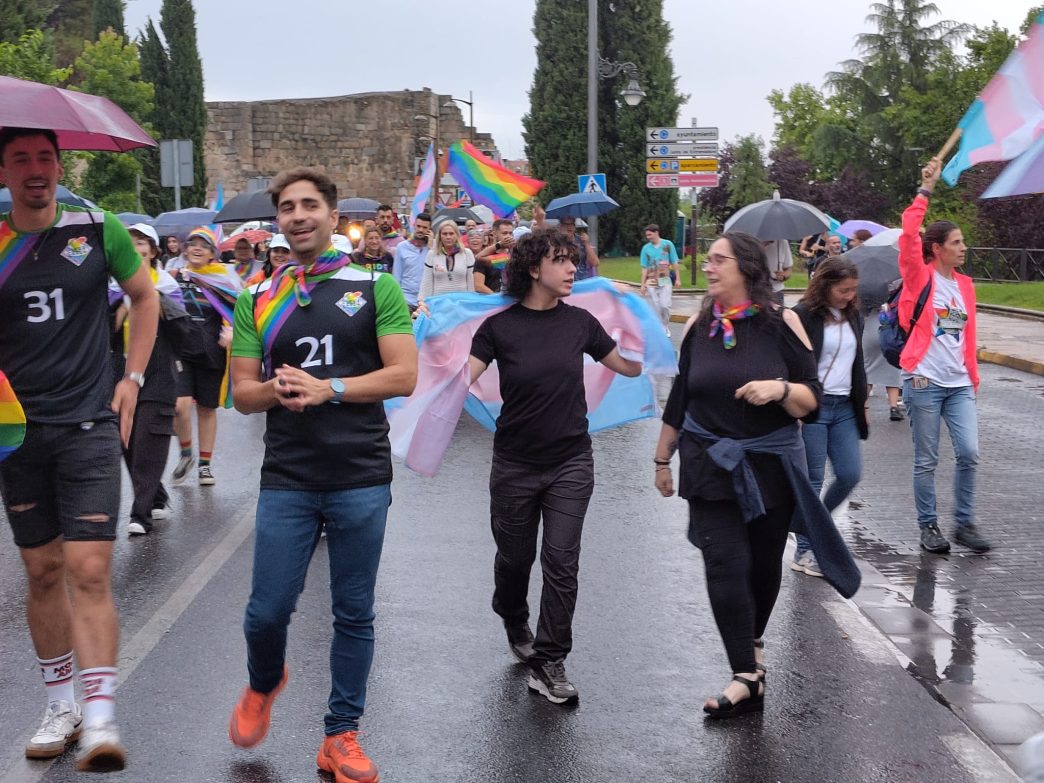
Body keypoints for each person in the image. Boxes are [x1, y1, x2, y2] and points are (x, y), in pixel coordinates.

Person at [228, 167, 417, 783]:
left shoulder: (375, 285)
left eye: (310, 205)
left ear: (334, 218)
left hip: (361, 474)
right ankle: (264, 680)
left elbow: (403, 377)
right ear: (277, 221)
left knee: (353, 611)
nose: (299, 215)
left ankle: (341, 735)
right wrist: (275, 390)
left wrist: (329, 388)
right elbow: (240, 396)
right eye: (287, 207)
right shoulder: (257, 297)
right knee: (265, 612)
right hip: (288, 477)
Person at [0, 126, 159, 770]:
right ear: (4, 172)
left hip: (90, 424)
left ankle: (100, 721)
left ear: (60, 165)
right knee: (41, 573)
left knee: (90, 570)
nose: (35, 170)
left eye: (45, 158)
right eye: (20, 160)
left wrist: (134, 378)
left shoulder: (98, 229)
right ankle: (60, 705)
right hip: (17, 433)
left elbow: (145, 297)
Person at [653, 231, 828, 719]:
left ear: (747, 268)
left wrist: (780, 388)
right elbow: (681, 397)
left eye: (717, 261)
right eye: (707, 260)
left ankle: (751, 644)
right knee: (724, 563)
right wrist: (663, 459)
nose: (707, 267)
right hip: (709, 460)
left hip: (770, 463)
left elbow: (812, 400)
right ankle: (746, 675)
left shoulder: (782, 323)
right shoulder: (698, 325)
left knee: (762, 565)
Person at [468, 228, 642, 703]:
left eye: (572, 261)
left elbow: (629, 366)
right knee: (514, 559)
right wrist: (429, 334)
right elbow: (462, 376)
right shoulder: (498, 328)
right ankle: (511, 612)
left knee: (562, 562)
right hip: (515, 465)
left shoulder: (581, 323)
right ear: (532, 268)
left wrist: (636, 317)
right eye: (560, 260)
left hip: (570, 460)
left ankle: (549, 661)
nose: (571, 269)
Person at [899, 158, 989, 555]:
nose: (964, 247)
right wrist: (926, 190)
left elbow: (967, 336)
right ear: (937, 249)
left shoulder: (966, 286)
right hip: (924, 380)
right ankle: (928, 526)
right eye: (957, 242)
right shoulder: (920, 276)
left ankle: (965, 523)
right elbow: (908, 234)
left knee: (969, 452)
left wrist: (973, 376)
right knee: (926, 459)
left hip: (958, 384)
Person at [790, 257, 868, 576]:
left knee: (850, 473)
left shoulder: (854, 315)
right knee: (813, 479)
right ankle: (805, 551)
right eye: (843, 289)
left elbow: (857, 361)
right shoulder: (802, 315)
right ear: (825, 286)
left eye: (853, 289)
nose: (849, 295)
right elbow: (791, 363)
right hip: (813, 407)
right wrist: (791, 406)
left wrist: (862, 402)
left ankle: (814, 527)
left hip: (845, 407)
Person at [121, 224, 184, 536]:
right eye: (130, 242)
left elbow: (184, 332)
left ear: (154, 250)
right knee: (127, 443)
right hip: (120, 375)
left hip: (158, 374)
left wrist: (157, 304)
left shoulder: (169, 286)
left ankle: (140, 513)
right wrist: (118, 311)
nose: (136, 247)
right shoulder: (112, 286)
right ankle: (155, 493)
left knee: (148, 441)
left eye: (142, 242)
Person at [171, 226, 242, 487]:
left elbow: (240, 310)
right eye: (193, 244)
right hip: (181, 351)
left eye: (204, 245)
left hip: (211, 351)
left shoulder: (223, 279)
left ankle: (204, 465)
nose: (197, 249)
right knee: (179, 406)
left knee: (206, 408)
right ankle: (186, 453)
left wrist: (231, 330)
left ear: (213, 253)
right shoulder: (175, 277)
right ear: (186, 249)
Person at [419, 219, 475, 305]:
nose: (448, 237)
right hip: (438, 305)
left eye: (451, 233)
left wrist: (472, 303)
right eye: (444, 234)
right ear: (440, 236)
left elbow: (471, 283)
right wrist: (422, 302)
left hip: (461, 305)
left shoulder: (467, 254)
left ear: (457, 235)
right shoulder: (432, 254)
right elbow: (426, 282)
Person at [639, 223, 680, 335]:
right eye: (646, 235)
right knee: (656, 306)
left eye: (650, 234)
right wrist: (642, 284)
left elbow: (675, 261)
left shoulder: (667, 245)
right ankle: (660, 327)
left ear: (656, 232)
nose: (648, 237)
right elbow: (644, 267)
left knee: (664, 305)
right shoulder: (646, 249)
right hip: (651, 281)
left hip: (665, 280)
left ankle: (665, 325)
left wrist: (678, 278)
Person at [392, 212, 432, 313]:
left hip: (427, 301)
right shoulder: (402, 247)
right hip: (406, 299)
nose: (421, 230)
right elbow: (396, 276)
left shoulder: (433, 249)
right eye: (418, 226)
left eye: (424, 227)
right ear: (414, 226)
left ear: (429, 230)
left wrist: (431, 248)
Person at [474, 219, 514, 294]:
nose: (508, 236)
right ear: (495, 234)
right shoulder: (484, 257)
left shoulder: (515, 254)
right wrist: (497, 299)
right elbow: (479, 286)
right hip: (490, 302)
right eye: (504, 233)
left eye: (510, 233)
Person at [761, 239, 793, 307]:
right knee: (751, 315)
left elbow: (788, 270)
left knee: (776, 316)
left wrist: (784, 275)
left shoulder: (782, 242)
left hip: (776, 293)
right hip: (755, 293)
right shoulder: (749, 240)